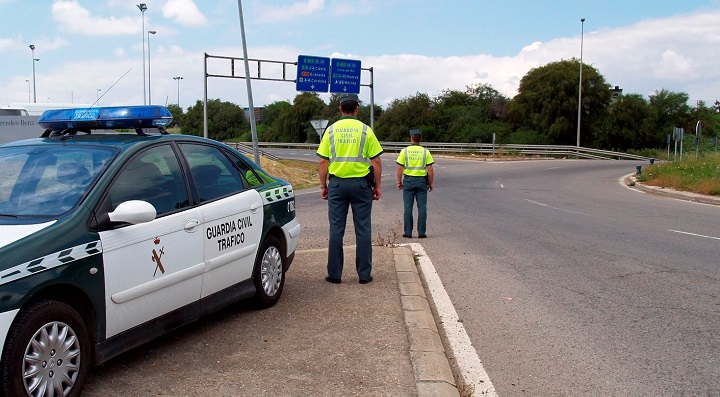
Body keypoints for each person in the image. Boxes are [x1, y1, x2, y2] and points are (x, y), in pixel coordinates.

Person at [317, 93, 383, 284]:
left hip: (337, 185)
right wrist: (377, 186)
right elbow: (376, 160)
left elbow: (323, 161)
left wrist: (323, 185)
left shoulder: (330, 131)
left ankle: (335, 274)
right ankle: (364, 275)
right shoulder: (365, 130)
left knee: (336, 230)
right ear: (357, 108)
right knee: (363, 229)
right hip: (362, 186)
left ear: (340, 109)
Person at [396, 129, 434, 238]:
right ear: (420, 139)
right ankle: (421, 232)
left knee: (408, 207)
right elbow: (430, 169)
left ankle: (408, 232)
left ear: (411, 138)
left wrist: (399, 181)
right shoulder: (425, 152)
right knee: (422, 207)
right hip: (421, 181)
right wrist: (431, 183)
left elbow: (399, 168)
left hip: (408, 181)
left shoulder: (405, 151)